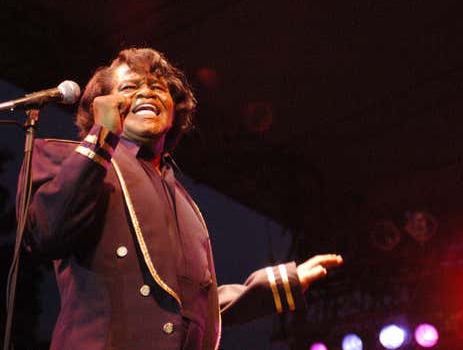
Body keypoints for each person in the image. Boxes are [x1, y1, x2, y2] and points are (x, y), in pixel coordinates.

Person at [18, 48, 343, 349]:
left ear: (174, 112)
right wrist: (101, 137)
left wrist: (281, 284)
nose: (147, 92)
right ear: (102, 105)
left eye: (158, 88)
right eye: (130, 87)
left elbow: (186, 309)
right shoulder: (66, 158)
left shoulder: (186, 202)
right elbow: (46, 234)